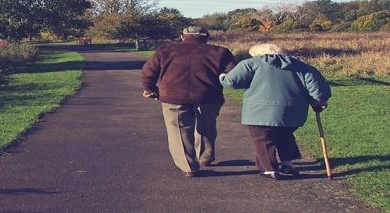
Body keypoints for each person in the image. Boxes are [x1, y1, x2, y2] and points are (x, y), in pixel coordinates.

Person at [220, 43, 331, 180]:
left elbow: (231, 82)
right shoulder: (302, 66)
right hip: (293, 111)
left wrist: (222, 77)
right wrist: (318, 102)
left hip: (259, 111)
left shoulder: (251, 63)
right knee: (285, 134)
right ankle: (287, 164)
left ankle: (269, 169)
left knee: (263, 138)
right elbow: (319, 91)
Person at [141, 26, 237, 177]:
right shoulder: (220, 52)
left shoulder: (165, 50)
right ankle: (204, 157)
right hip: (209, 96)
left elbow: (148, 71)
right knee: (207, 126)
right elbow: (233, 74)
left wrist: (150, 88)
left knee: (179, 130)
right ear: (206, 37)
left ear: (182, 37)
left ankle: (188, 166)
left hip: (173, 95)